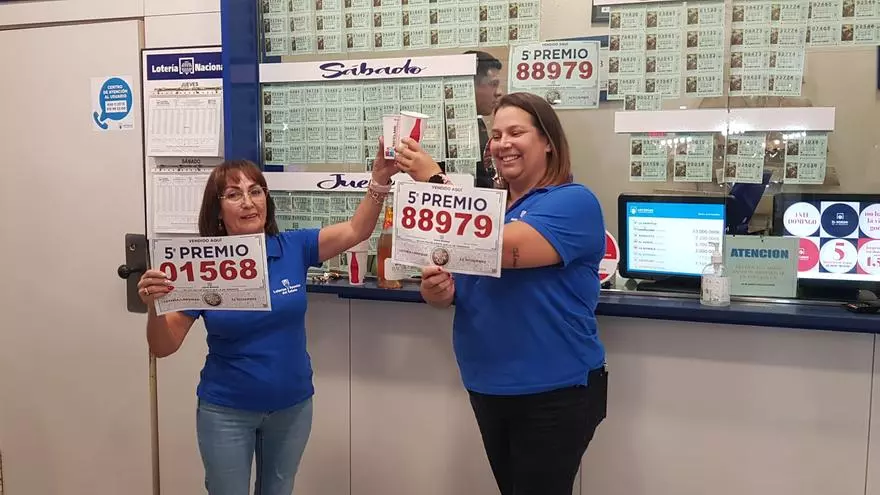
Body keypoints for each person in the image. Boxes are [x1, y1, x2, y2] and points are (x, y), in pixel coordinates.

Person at [136, 139, 397, 495]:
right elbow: (163, 346)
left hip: (292, 406)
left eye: (255, 191)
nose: (248, 202)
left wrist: (380, 179)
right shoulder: (201, 266)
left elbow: (356, 230)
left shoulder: (293, 246)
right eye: (233, 194)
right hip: (226, 410)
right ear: (217, 210)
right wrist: (154, 307)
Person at [394, 92, 608, 495]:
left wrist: (434, 181)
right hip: (489, 384)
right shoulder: (493, 208)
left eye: (516, 132)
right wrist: (439, 291)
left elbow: (500, 249)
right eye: (495, 135)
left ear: (547, 141)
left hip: (553, 390)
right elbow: (461, 287)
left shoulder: (572, 202)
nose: (502, 143)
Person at [462, 50, 504, 188]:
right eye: (493, 84)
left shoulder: (476, 123)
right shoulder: (447, 131)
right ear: (469, 86)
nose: (499, 92)